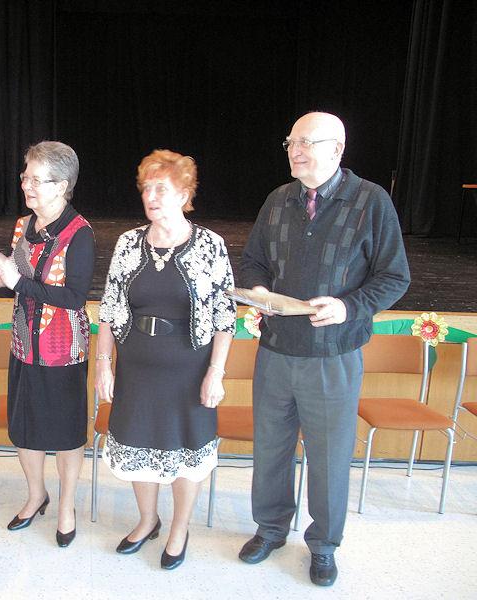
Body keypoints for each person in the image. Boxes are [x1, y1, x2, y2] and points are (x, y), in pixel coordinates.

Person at [238, 112, 411, 586]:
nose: (296, 151)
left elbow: (395, 276)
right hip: (276, 350)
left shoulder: (370, 200)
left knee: (329, 457)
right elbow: (253, 261)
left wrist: (348, 306)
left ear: (337, 149)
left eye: (306, 143)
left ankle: (324, 545)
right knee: (271, 448)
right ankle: (270, 529)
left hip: (333, 354)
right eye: (291, 142)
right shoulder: (278, 199)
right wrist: (258, 290)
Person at [95, 149, 236, 570]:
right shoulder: (128, 243)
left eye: (162, 188)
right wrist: (103, 364)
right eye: (146, 188)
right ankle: (147, 520)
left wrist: (216, 373)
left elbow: (225, 317)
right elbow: (109, 309)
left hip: (189, 371)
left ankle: (179, 528)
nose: (151, 196)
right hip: (136, 368)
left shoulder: (210, 245)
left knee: (185, 449)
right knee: (137, 441)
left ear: (184, 194)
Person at [0, 141, 95, 547]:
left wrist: (16, 281)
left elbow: (74, 298)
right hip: (24, 344)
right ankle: (35, 495)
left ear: (61, 186)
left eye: (36, 180)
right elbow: (18, 281)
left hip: (63, 350)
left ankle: (66, 506)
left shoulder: (79, 233)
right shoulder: (22, 225)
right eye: (25, 177)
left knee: (66, 432)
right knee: (24, 427)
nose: (26, 185)